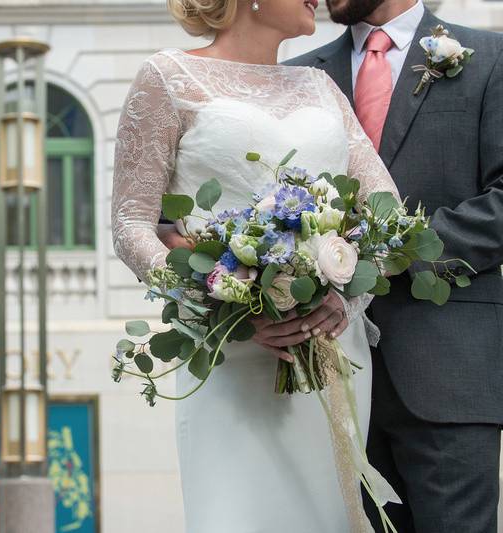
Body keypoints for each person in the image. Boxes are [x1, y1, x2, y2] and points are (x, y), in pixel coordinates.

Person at [111, 0, 400, 530]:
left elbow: (388, 209)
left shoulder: (320, 87)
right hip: (232, 356)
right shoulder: (167, 77)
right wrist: (227, 309)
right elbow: (131, 224)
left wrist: (345, 298)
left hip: (333, 350)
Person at [284, 1, 503, 531]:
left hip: (449, 374)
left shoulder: (492, 59)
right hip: (325, 381)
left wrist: (384, 252)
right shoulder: (296, 76)